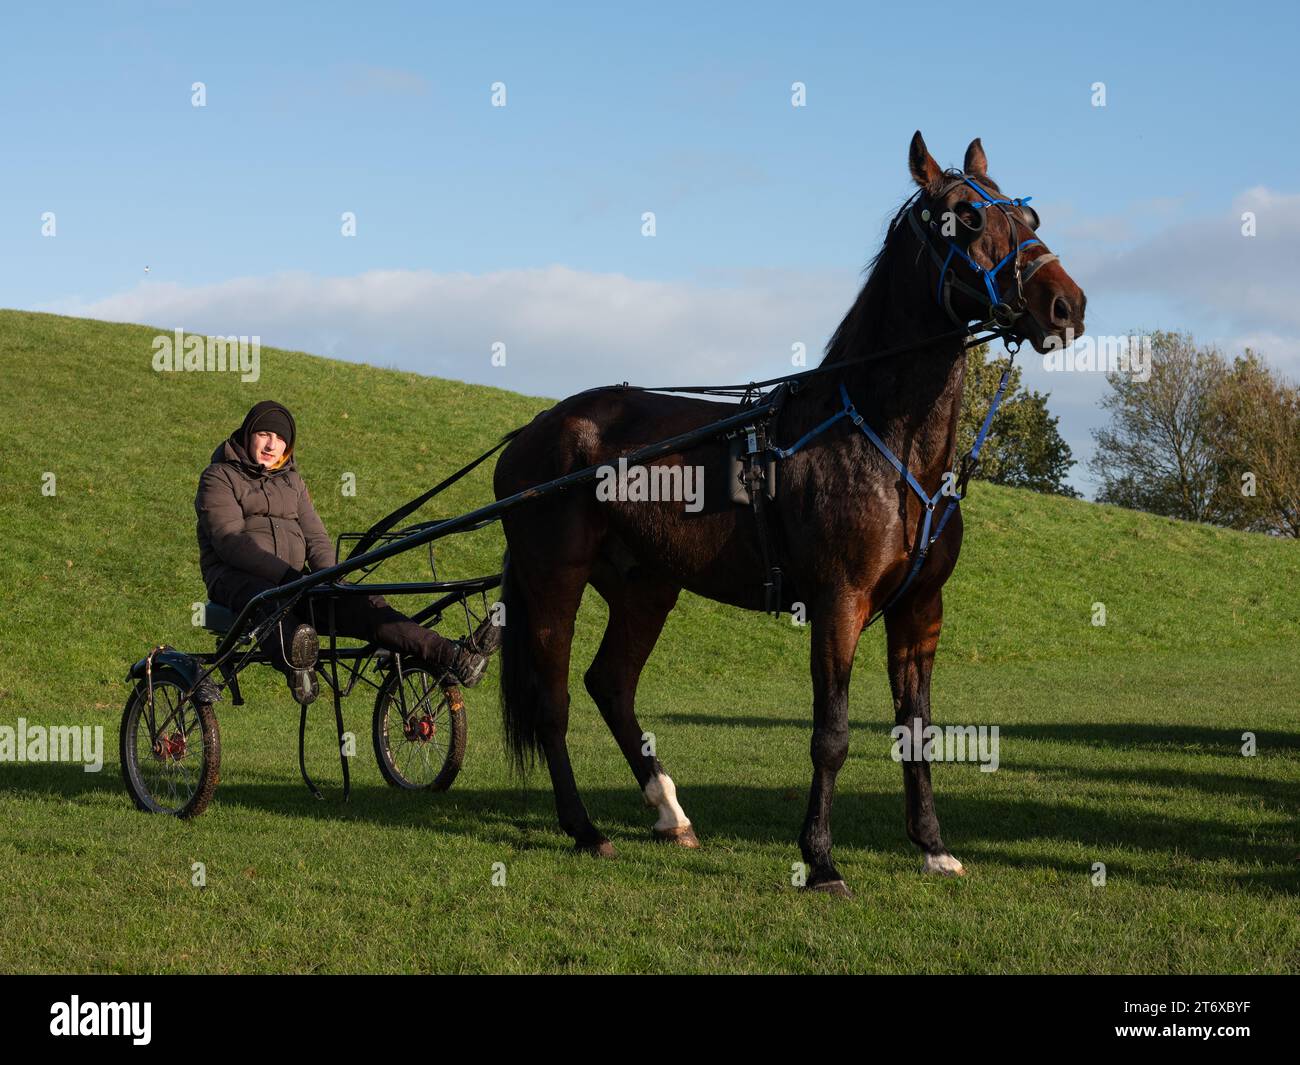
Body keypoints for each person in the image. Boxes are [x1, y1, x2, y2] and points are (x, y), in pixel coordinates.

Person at [195, 400, 492, 702]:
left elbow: (316, 538)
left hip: (296, 580)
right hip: (235, 579)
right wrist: (288, 577)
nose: (272, 444)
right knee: (268, 602)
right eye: (264, 434)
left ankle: (453, 654)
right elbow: (230, 542)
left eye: (280, 438)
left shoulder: (293, 482)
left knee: (362, 603)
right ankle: (298, 661)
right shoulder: (218, 477)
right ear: (248, 435)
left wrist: (330, 578)